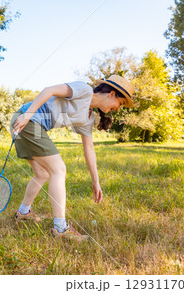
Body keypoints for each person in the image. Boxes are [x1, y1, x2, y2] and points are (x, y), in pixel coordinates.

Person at [11, 75, 135, 241]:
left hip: (28, 122)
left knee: (42, 173)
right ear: (112, 94)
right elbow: (49, 90)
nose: (118, 108)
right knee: (58, 169)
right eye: (120, 103)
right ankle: (61, 229)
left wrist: (95, 181)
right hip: (27, 120)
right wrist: (27, 116)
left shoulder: (88, 118)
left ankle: (23, 212)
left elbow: (89, 149)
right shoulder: (83, 90)